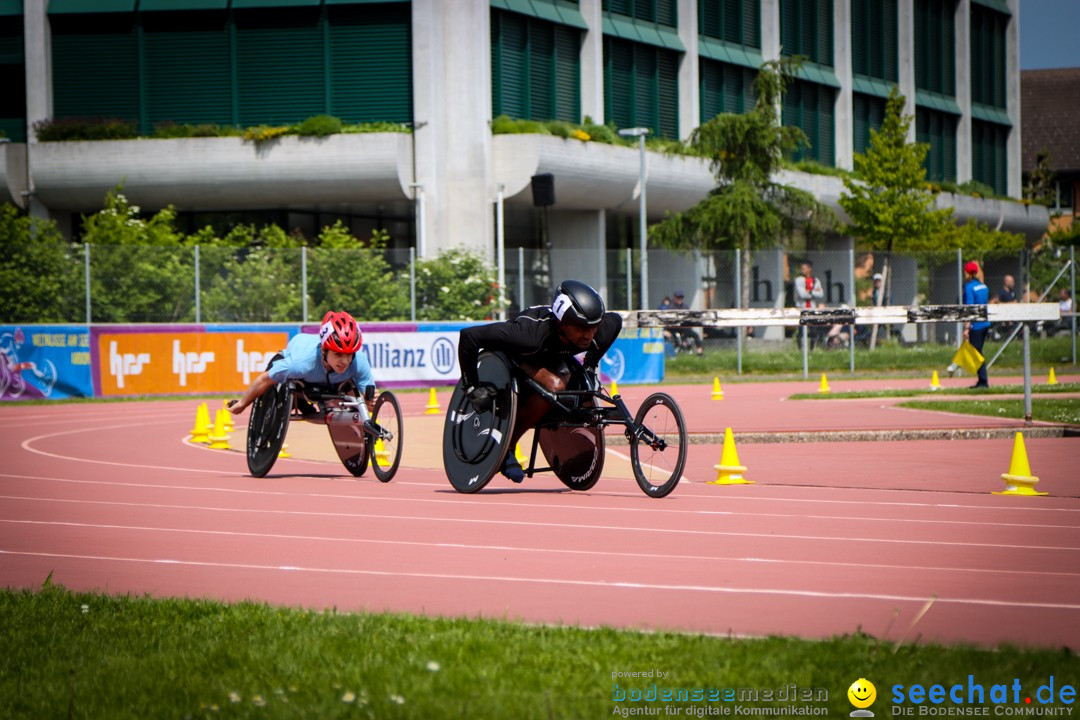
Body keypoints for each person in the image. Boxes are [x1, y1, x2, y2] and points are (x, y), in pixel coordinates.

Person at [457, 280, 622, 483]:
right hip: (518, 356)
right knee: (555, 387)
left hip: (555, 355)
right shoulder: (526, 334)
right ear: (563, 324)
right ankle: (508, 447)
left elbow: (616, 321)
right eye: (581, 329)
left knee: (576, 388)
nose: (589, 335)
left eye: (593, 328)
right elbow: (468, 337)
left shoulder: (600, 330)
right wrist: (472, 387)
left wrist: (589, 365)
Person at [228, 310, 376, 417]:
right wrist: (242, 404)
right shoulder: (300, 362)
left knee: (349, 390)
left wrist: (369, 403)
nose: (345, 361)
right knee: (272, 402)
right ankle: (298, 399)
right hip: (300, 377)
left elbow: (369, 403)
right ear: (324, 350)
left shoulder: (359, 362)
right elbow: (264, 379)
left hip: (328, 384)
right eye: (338, 354)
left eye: (350, 354)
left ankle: (306, 400)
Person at [962, 261, 990, 388]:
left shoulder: (969, 287)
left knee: (976, 352)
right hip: (985, 322)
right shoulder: (983, 286)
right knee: (978, 351)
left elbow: (969, 308)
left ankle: (983, 381)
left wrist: (967, 328)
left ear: (967, 273)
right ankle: (981, 380)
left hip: (976, 325)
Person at [794, 260, 825, 348]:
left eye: (804, 268)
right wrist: (814, 291)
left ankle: (812, 348)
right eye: (802, 268)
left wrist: (810, 291)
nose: (802, 270)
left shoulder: (815, 280)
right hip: (802, 308)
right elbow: (802, 294)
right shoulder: (799, 280)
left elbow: (821, 294)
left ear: (809, 269)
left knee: (813, 330)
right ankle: (800, 348)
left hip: (812, 307)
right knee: (801, 330)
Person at [669, 290, 703, 355]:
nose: (679, 299)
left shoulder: (685, 306)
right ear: (674, 298)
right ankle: (683, 343)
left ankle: (699, 352)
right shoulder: (671, 307)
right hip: (675, 328)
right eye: (678, 297)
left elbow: (689, 318)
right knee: (684, 330)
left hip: (685, 328)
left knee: (696, 335)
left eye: (681, 297)